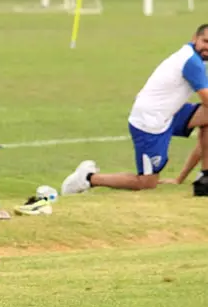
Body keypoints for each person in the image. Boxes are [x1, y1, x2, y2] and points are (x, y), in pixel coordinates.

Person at [62, 26, 208, 195]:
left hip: (167, 113)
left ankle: (204, 177)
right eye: (205, 41)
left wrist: (178, 180)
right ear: (194, 38)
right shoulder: (192, 62)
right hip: (150, 122)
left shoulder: (192, 55)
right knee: (146, 182)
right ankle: (87, 179)